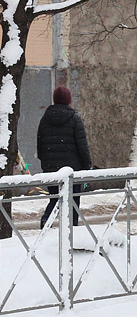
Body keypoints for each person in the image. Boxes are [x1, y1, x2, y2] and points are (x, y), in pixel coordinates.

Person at [37, 86, 92, 228]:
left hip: (51, 169)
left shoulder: (45, 119)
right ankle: (71, 228)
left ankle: (47, 219)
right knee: (73, 200)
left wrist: (46, 163)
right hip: (72, 169)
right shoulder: (74, 119)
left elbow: (40, 146)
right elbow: (82, 146)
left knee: (55, 198)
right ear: (69, 100)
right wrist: (87, 166)